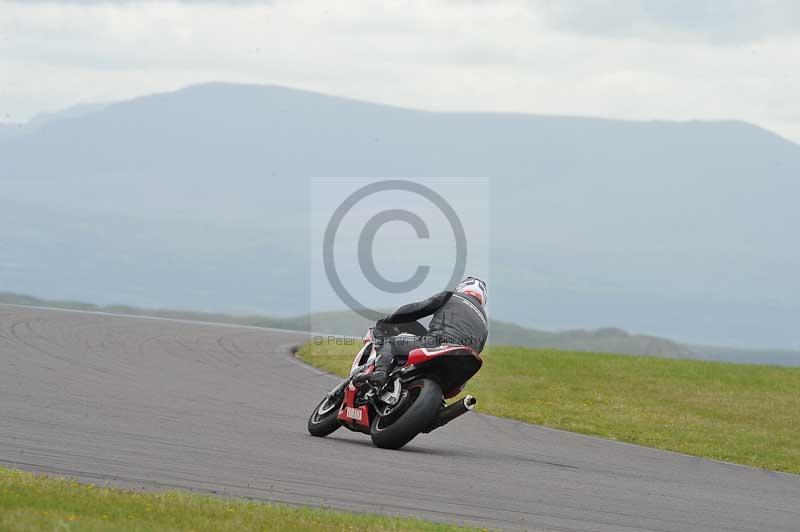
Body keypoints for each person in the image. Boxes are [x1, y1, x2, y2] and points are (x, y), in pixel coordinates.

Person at [355, 276, 488, 388]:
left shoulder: (452, 296)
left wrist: (386, 323)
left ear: (462, 288)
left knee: (391, 343)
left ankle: (380, 373)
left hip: (440, 344)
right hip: (464, 366)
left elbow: (416, 309)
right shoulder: (484, 324)